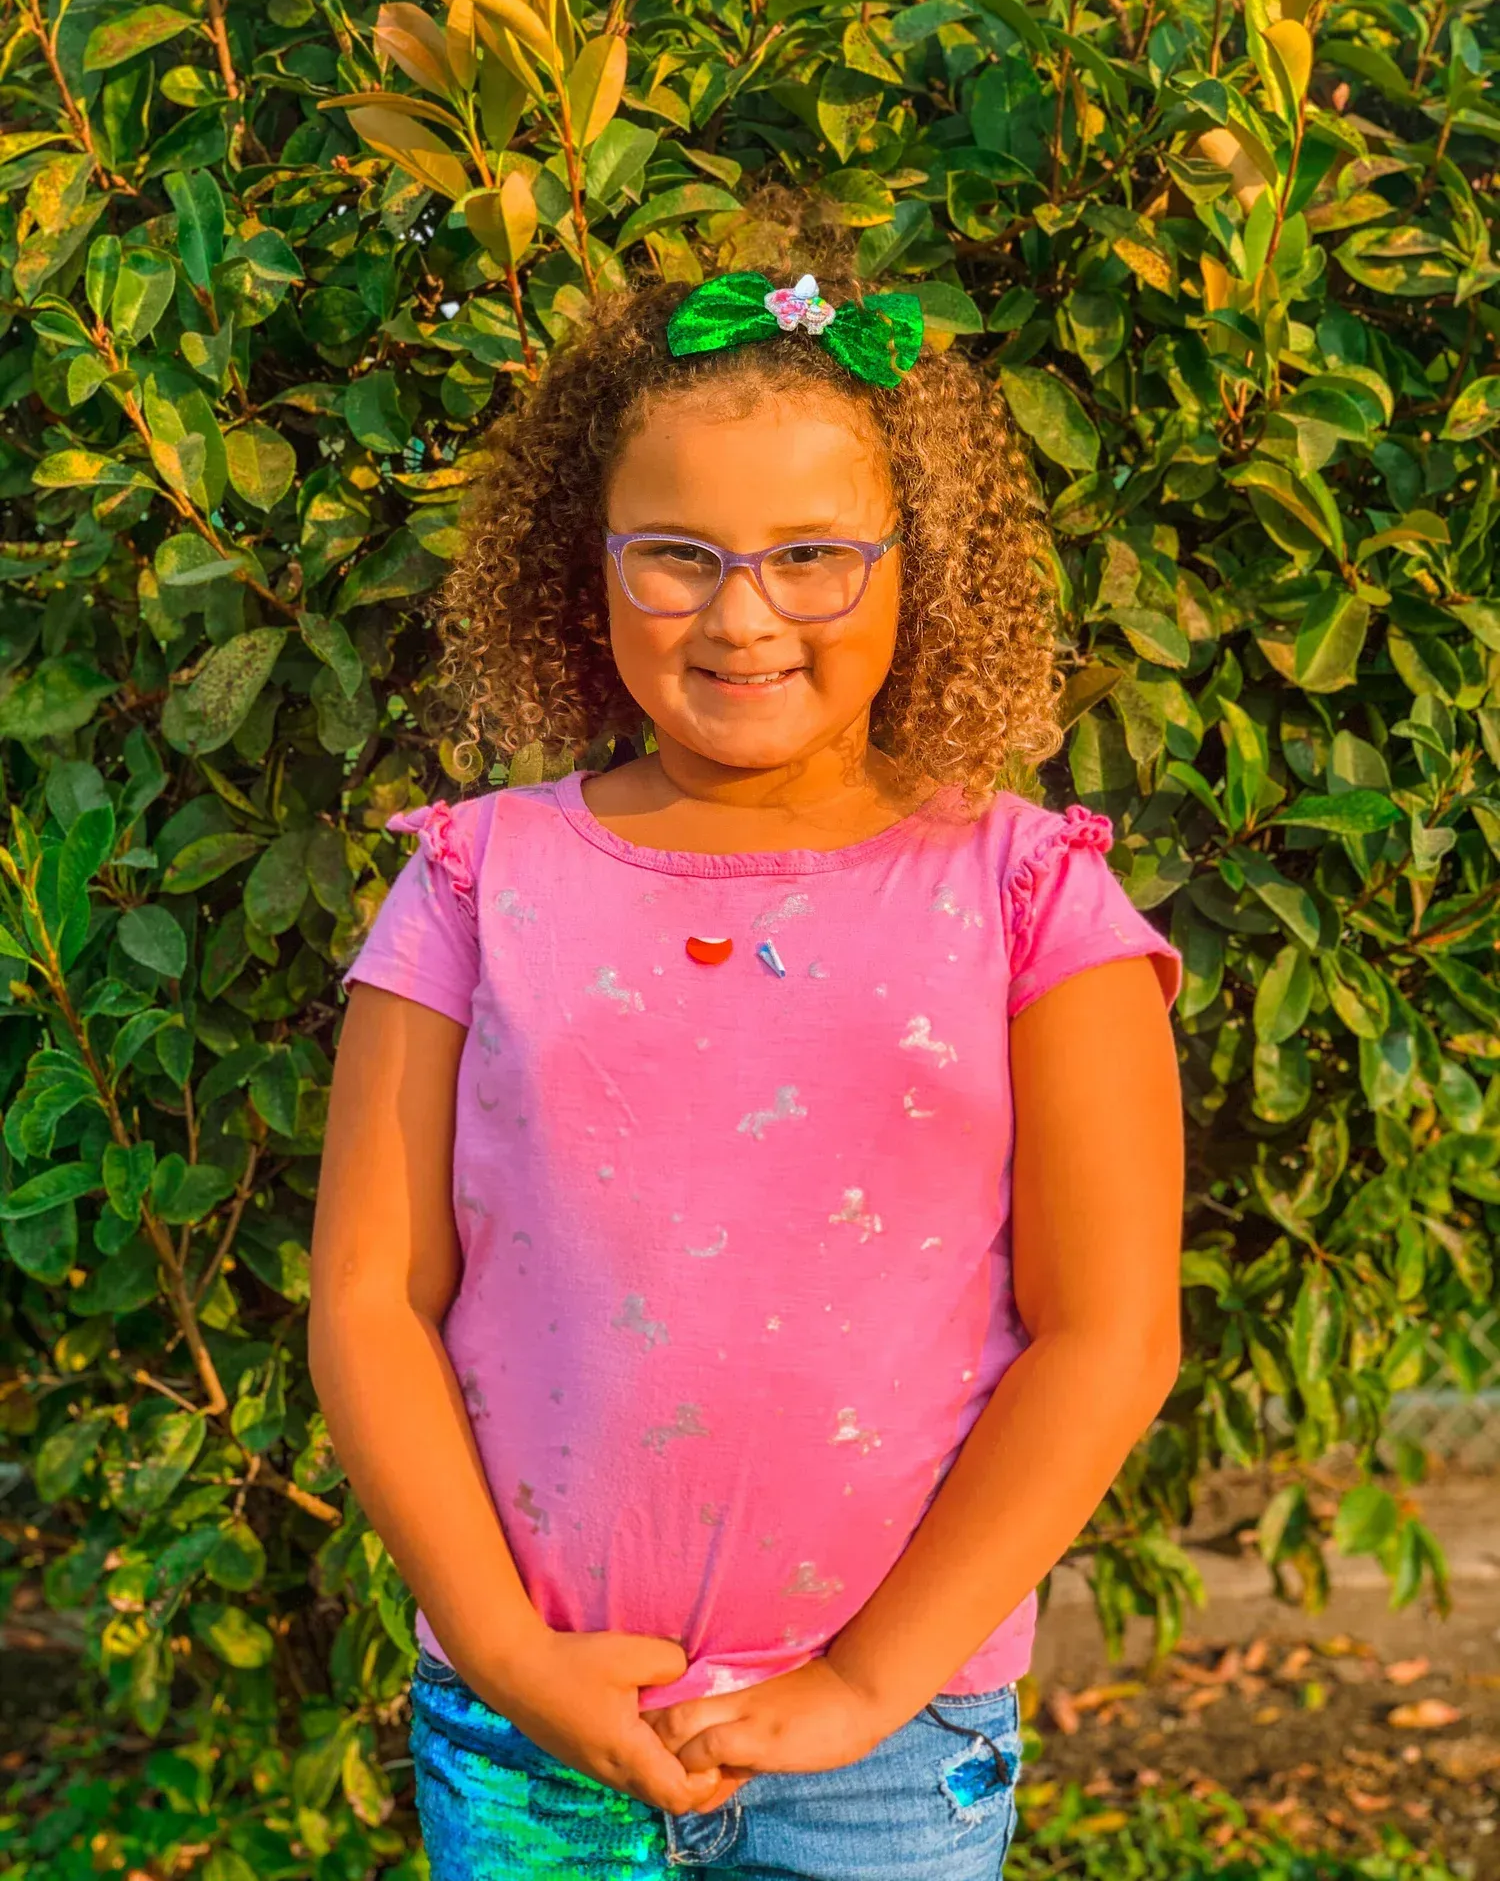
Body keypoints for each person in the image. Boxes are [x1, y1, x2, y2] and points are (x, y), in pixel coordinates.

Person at [309, 266, 1185, 1880]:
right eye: (678, 558)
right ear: (590, 568)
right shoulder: (468, 884)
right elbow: (370, 1294)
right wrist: (509, 1657)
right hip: (530, 1734)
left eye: (811, 557)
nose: (741, 613)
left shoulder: (1028, 898)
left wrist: (864, 1682)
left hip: (885, 1755)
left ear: (917, 570)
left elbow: (1111, 1332)